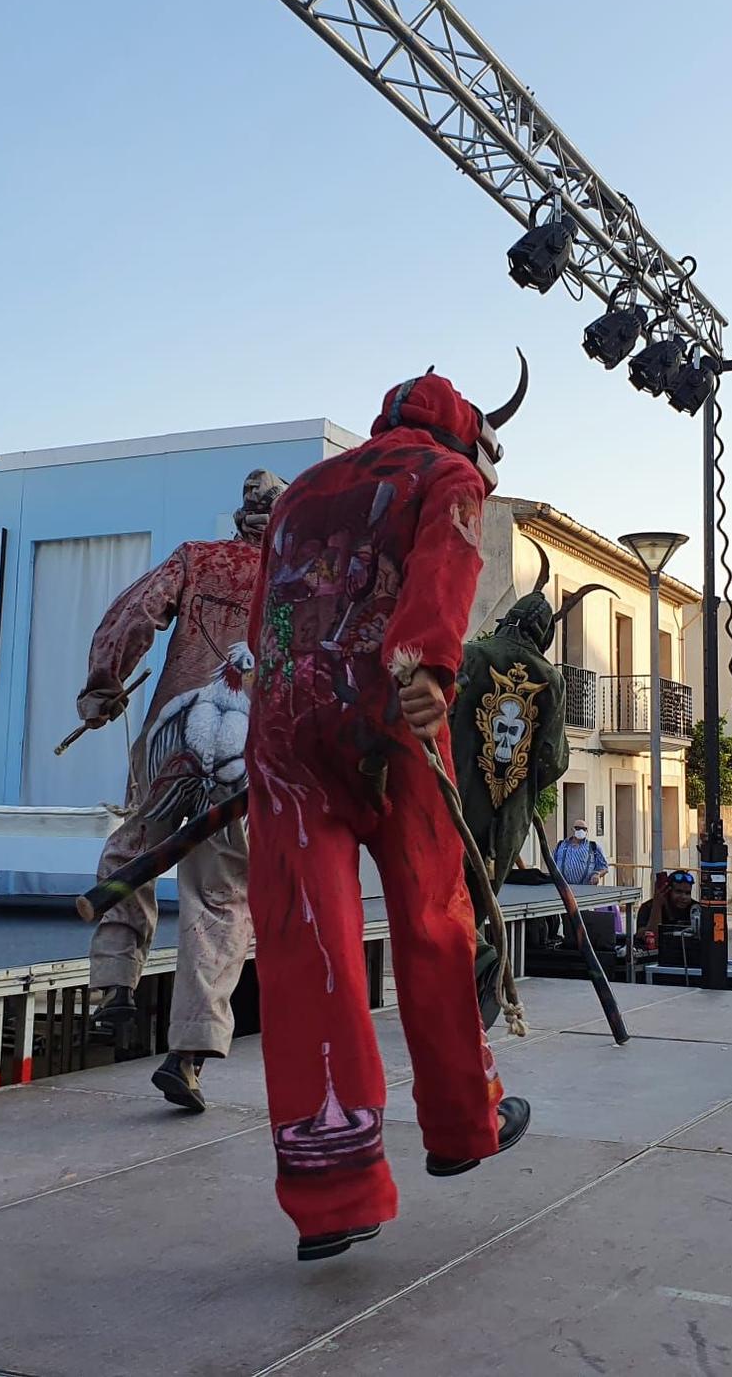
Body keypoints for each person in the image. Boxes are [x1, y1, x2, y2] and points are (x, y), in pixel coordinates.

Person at [245, 358, 533, 1263]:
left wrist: (286, 701)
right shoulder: (448, 475)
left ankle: (334, 1190)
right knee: (433, 918)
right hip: (393, 714)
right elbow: (446, 566)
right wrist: (427, 664)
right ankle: (460, 1122)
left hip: (288, 725)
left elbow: (270, 619)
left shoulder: (299, 496)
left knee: (307, 944)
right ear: (468, 437)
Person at [78, 469, 286, 1112]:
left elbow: (132, 615)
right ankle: (189, 1053)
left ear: (240, 517)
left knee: (132, 852)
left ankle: (116, 984)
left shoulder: (199, 559)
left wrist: (104, 687)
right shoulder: (299, 581)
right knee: (220, 899)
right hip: (246, 760)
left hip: (172, 743)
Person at [449, 544, 602, 1028]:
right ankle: (475, 978)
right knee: (474, 904)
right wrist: (520, 776)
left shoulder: (470, 655)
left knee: (440, 896)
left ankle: (474, 976)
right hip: (507, 821)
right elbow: (553, 760)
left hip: (450, 805)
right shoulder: (550, 680)